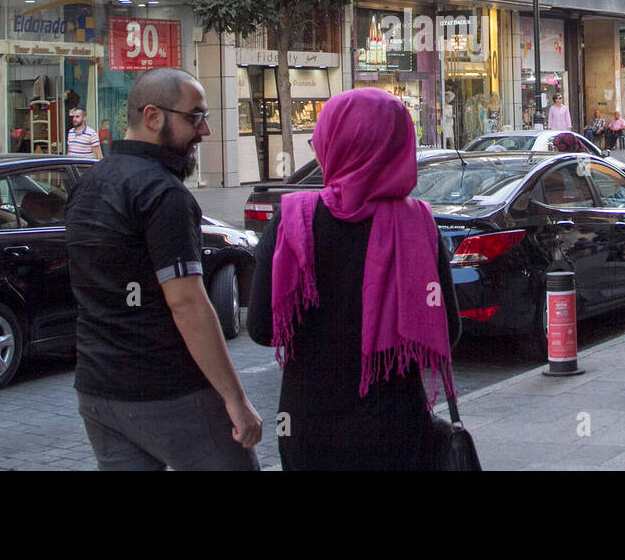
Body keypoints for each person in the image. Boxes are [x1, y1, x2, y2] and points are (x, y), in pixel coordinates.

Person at [248, 88, 460, 470]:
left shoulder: (293, 218)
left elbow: (263, 329)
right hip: (395, 427)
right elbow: (449, 331)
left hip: (307, 426)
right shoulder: (418, 223)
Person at [65, 67, 261, 470]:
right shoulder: (164, 194)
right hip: (168, 391)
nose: (204, 131)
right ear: (153, 117)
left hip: (98, 391)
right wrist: (236, 400)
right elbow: (187, 303)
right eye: (195, 117)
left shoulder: (89, 183)